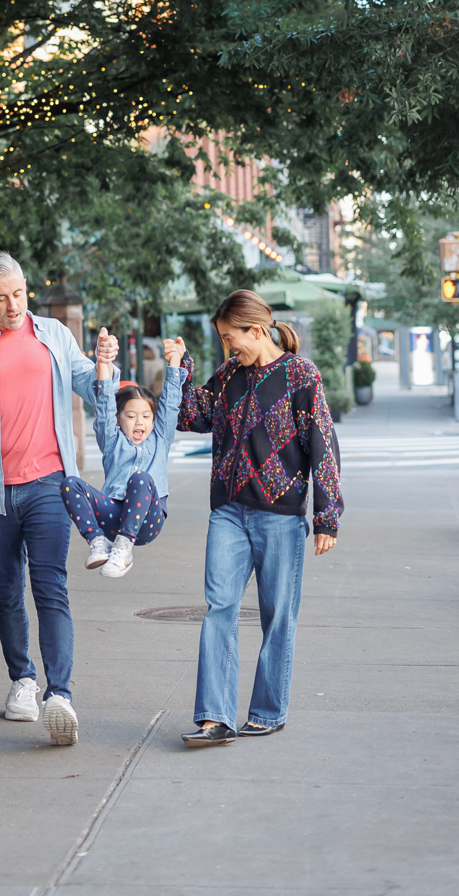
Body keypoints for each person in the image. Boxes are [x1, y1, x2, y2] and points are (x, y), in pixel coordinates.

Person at [0, 251, 119, 747]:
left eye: (19, 293)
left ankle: (60, 695)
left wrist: (102, 368)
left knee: (50, 587)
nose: (13, 305)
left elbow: (89, 386)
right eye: (1, 298)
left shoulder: (55, 334)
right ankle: (23, 681)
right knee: (6, 592)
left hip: (51, 486)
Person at [173, 289, 343, 747]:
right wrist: (180, 370)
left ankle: (268, 711)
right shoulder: (229, 375)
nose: (229, 348)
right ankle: (215, 717)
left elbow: (323, 446)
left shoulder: (300, 375)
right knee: (219, 608)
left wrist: (327, 516)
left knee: (277, 616)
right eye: (225, 341)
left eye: (232, 339)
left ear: (258, 330)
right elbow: (191, 416)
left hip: (280, 517)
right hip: (229, 511)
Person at [61, 336, 189, 578]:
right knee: (69, 484)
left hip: (148, 521)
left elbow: (171, 403)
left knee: (140, 478)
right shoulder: (112, 440)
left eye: (145, 416)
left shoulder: (159, 439)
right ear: (119, 420)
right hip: (113, 519)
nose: (139, 422)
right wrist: (103, 362)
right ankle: (98, 542)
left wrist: (174, 362)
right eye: (131, 416)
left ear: (153, 419)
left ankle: (124, 549)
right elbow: (105, 404)